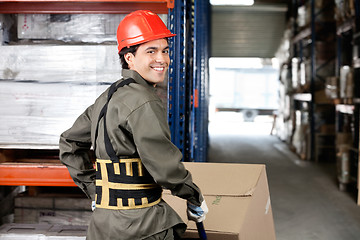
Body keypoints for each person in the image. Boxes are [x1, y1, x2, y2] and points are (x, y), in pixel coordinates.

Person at [59, 10, 208, 240]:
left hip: (102, 226)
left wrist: (95, 191)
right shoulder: (145, 100)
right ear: (129, 57)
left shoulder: (106, 97)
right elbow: (165, 167)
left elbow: (69, 143)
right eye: (151, 51)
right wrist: (194, 196)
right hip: (143, 227)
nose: (162, 59)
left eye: (165, 51)